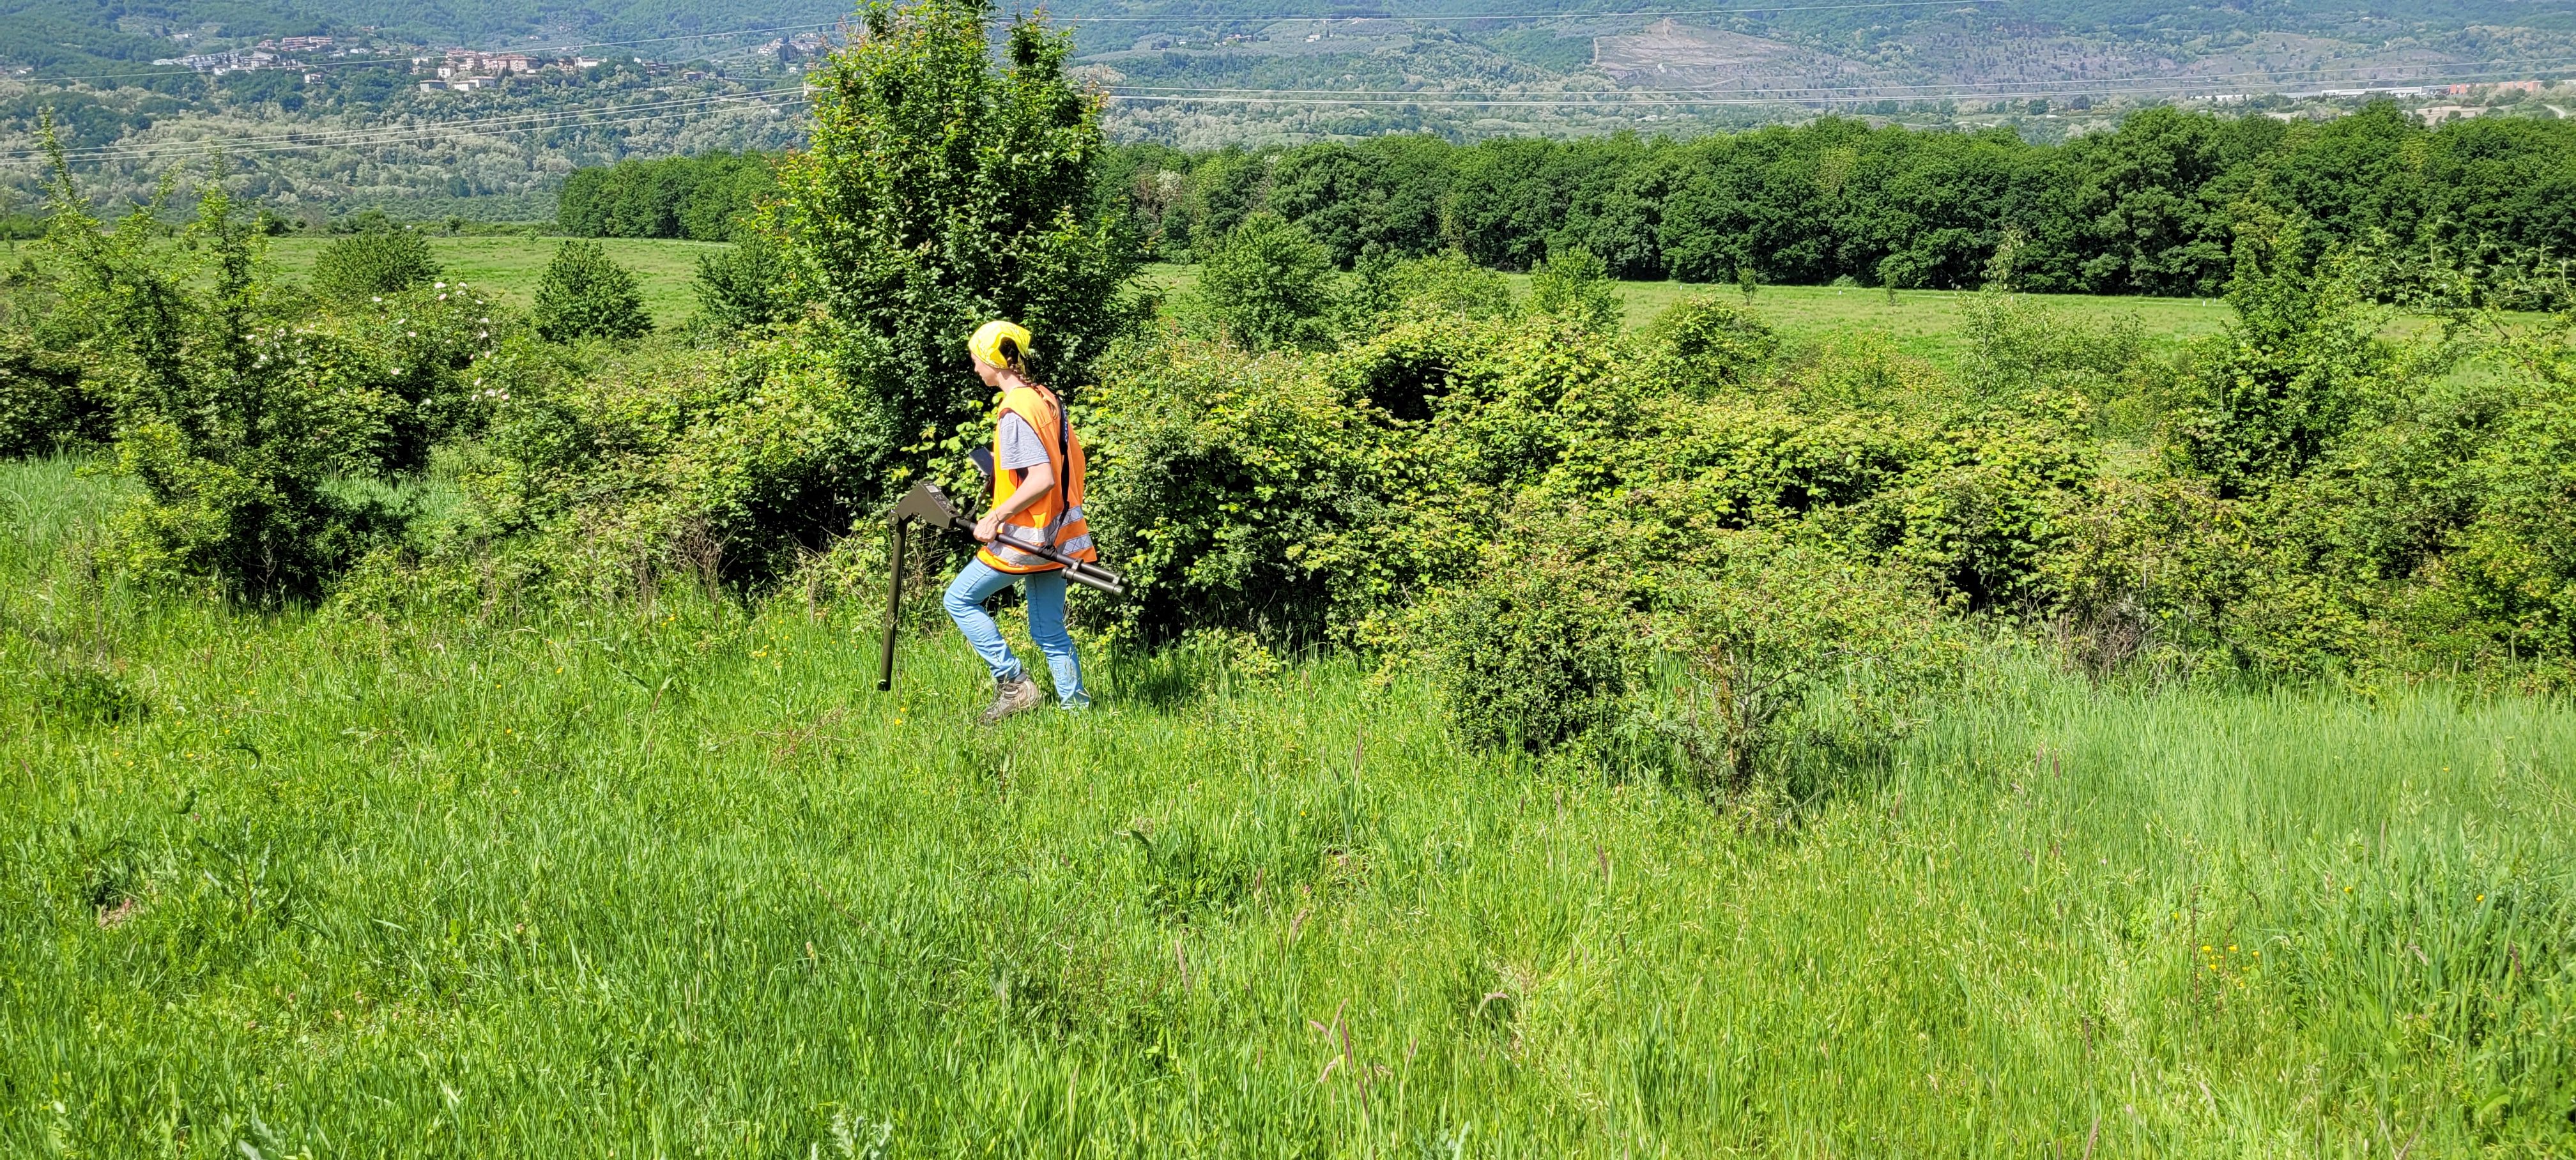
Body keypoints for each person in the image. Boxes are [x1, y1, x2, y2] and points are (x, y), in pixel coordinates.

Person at [943, 320, 1096, 723]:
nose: (975, 368)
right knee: (1049, 630)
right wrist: (1003, 471)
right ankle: (1078, 714)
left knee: (958, 599)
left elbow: (1042, 479)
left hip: (1026, 538)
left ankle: (1014, 683)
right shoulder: (1045, 398)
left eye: (976, 360)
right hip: (1058, 534)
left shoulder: (1013, 411)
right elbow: (1063, 463)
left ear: (993, 360)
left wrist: (995, 516)